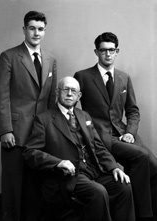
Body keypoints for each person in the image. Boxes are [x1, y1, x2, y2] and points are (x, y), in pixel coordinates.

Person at [23, 76, 135, 221]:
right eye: (66, 90)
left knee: (123, 186)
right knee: (98, 192)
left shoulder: (84, 116)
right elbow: (30, 152)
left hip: (94, 170)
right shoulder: (44, 119)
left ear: (79, 96)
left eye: (73, 91)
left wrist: (114, 168)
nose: (69, 94)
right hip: (69, 177)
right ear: (57, 92)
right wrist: (58, 163)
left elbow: (98, 147)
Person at [74, 32, 157, 221]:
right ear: (96, 52)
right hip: (100, 135)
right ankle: (143, 215)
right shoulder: (83, 76)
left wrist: (130, 133)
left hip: (123, 132)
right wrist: (84, 131)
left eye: (112, 50)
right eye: (103, 50)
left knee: (154, 165)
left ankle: (138, 208)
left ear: (117, 51)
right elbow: (71, 105)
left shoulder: (124, 78)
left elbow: (133, 111)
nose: (108, 54)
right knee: (141, 157)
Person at [0, 11, 57, 221]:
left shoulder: (51, 59)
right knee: (13, 186)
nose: (36, 33)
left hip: (40, 133)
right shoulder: (9, 56)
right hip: (15, 132)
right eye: (32, 28)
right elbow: (1, 95)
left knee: (35, 187)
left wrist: (52, 130)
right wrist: (5, 129)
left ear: (45, 31)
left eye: (40, 29)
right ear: (24, 30)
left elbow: (51, 99)